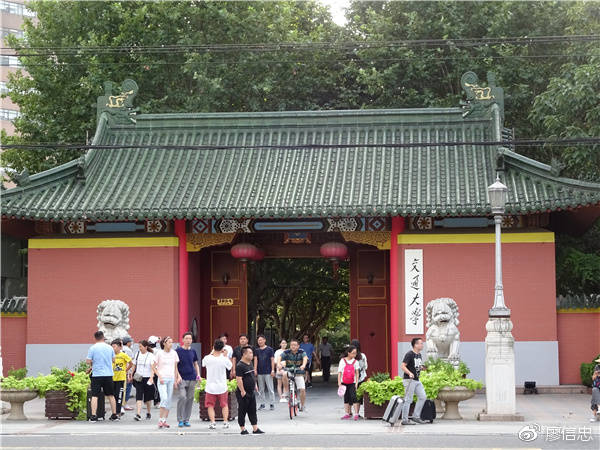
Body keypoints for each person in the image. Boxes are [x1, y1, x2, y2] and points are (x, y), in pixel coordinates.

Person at [86, 331, 118, 421]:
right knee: (111, 395)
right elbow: (114, 360)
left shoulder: (92, 348)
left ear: (95, 338)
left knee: (94, 395)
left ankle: (93, 416)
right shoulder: (110, 348)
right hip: (108, 374)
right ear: (103, 337)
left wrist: (93, 363)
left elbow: (88, 361)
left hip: (97, 375)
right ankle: (114, 414)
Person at [202, 339, 233, 430]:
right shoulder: (224, 359)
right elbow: (230, 366)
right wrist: (225, 355)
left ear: (213, 347)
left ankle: (213, 422)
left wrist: (212, 351)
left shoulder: (207, 358)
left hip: (210, 387)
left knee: (210, 405)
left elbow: (203, 364)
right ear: (222, 349)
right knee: (224, 404)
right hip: (222, 386)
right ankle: (225, 422)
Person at [152, 336, 181, 429]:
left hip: (171, 378)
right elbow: (153, 366)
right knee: (164, 398)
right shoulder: (159, 353)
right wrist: (159, 376)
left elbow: (175, 367)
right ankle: (160, 420)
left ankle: (164, 420)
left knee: (168, 400)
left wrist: (176, 378)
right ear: (164, 343)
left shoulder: (174, 353)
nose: (171, 344)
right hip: (162, 379)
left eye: (172, 342)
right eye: (169, 342)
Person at [235, 346, 264, 435]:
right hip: (244, 392)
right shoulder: (240, 365)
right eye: (250, 353)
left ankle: (255, 428)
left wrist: (255, 385)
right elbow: (239, 379)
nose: (252, 355)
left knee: (252, 410)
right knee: (242, 410)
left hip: (251, 391)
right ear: (244, 354)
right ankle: (242, 429)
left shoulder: (250, 363)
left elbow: (252, 376)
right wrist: (242, 391)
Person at [175, 331, 201, 427]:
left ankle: (186, 419)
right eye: (186, 338)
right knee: (182, 397)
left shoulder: (193, 351)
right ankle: (180, 419)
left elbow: (196, 364)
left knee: (190, 398)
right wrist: (177, 376)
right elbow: (175, 366)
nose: (188, 340)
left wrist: (198, 374)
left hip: (192, 377)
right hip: (182, 378)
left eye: (190, 339)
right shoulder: (178, 351)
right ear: (182, 340)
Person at [400, 337, 428, 425]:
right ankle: (405, 420)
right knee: (408, 399)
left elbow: (417, 366)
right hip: (409, 380)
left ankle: (416, 416)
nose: (422, 345)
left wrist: (422, 368)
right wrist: (409, 373)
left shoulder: (419, 355)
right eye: (421, 343)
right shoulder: (409, 354)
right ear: (415, 345)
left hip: (417, 380)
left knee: (423, 397)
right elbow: (403, 366)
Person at [279, 339, 308, 411]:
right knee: (284, 373)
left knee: (302, 389)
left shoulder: (302, 352)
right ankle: (286, 391)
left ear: (298, 346)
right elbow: (279, 357)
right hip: (289, 371)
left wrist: (303, 365)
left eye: (295, 345)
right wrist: (279, 364)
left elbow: (305, 358)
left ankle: (302, 405)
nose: (293, 346)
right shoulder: (286, 352)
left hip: (298, 372)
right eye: (291, 345)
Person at [131, 339, 155, 421]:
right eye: (139, 347)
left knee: (148, 398)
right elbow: (134, 365)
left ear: (146, 347)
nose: (139, 348)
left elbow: (153, 368)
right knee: (139, 395)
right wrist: (131, 374)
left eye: (141, 346)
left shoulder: (151, 355)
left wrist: (151, 377)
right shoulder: (137, 354)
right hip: (138, 378)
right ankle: (138, 414)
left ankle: (148, 412)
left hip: (147, 378)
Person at [111, 338, 132, 417]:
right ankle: (114, 412)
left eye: (114, 346)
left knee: (119, 395)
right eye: (112, 346)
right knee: (113, 395)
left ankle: (118, 412)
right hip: (112, 378)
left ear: (120, 347)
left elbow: (131, 363)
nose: (113, 348)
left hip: (121, 378)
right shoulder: (111, 355)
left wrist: (125, 370)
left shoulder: (123, 355)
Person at [254, 334, 275, 411]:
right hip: (260, 372)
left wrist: (273, 370)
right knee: (261, 389)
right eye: (258, 340)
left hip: (268, 371)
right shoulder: (256, 350)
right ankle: (262, 403)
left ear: (264, 340)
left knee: (270, 388)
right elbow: (256, 360)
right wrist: (255, 369)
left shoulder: (270, 349)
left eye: (261, 340)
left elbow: (272, 360)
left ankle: (272, 403)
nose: (260, 341)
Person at [338, 345, 360, 420]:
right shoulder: (342, 361)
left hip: (352, 382)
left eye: (355, 353)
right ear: (348, 353)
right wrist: (339, 383)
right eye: (353, 353)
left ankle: (356, 414)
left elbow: (357, 373)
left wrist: (356, 383)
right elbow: (339, 372)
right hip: (344, 382)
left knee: (354, 397)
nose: (354, 355)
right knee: (346, 397)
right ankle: (347, 413)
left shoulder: (356, 362)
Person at [351, 339, 368, 417]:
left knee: (351, 394)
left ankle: (349, 412)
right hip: (361, 378)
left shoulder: (349, 356)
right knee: (359, 395)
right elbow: (366, 367)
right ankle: (357, 413)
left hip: (351, 378)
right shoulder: (362, 356)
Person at [122, 336, 134, 411]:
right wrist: (130, 373)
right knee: (128, 388)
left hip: (120, 371)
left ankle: (121, 403)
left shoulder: (120, 349)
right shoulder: (129, 350)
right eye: (130, 342)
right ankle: (125, 403)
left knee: (121, 388)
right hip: (127, 371)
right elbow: (131, 362)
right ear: (128, 343)